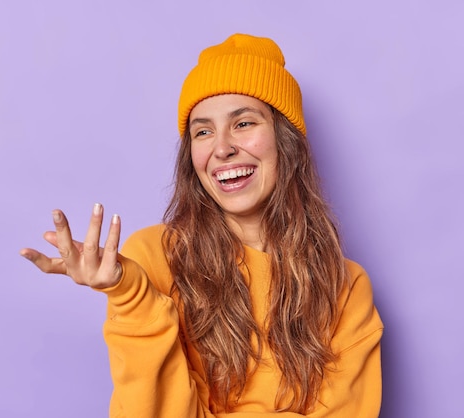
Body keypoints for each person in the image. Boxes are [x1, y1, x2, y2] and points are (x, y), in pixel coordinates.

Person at [20, 33, 383, 417]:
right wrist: (127, 294)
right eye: (203, 131)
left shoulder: (345, 286)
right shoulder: (150, 258)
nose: (221, 148)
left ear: (285, 140)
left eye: (243, 123)